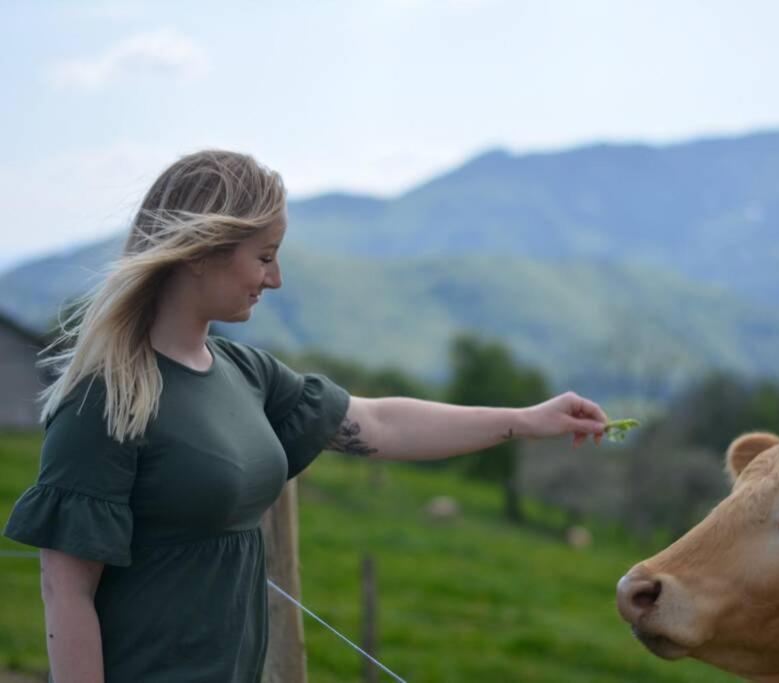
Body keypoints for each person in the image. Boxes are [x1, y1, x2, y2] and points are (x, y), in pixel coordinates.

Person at [2, 150, 609, 683]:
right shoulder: (108, 396)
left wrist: (527, 419)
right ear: (200, 252)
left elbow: (380, 424)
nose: (276, 277)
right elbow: (65, 588)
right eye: (264, 256)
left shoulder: (245, 373)